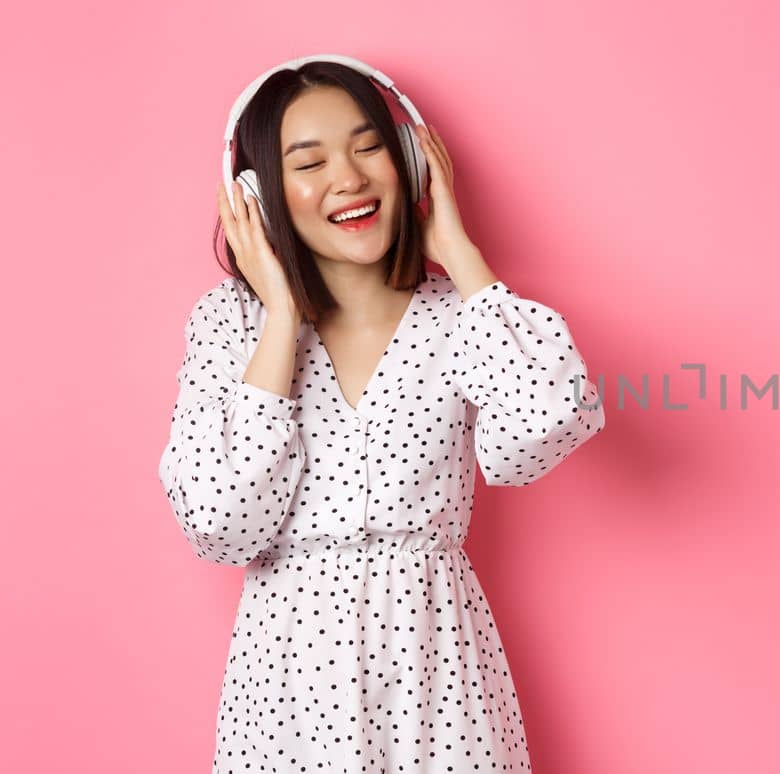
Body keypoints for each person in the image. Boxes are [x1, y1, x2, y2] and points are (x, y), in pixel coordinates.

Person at [157, 56, 605, 772]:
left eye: (369, 148)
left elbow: (548, 422)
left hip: (439, 676)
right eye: (310, 162)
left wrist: (461, 256)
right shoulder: (229, 326)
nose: (349, 178)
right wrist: (278, 318)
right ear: (258, 197)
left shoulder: (459, 317)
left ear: (412, 165)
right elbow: (220, 526)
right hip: (287, 692)